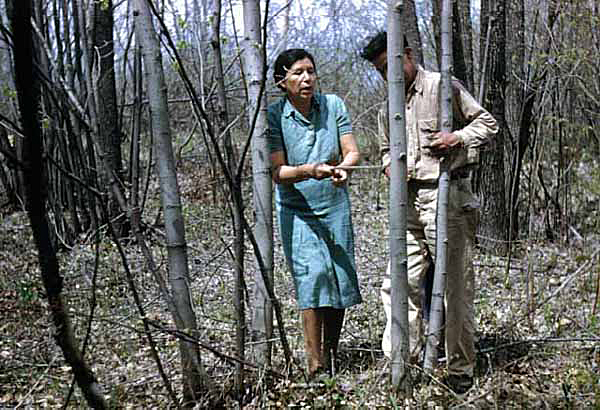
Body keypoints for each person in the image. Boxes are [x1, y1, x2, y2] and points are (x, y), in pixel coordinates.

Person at [361, 32, 498, 393]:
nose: (385, 76)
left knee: (454, 287)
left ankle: (459, 371)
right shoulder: (387, 106)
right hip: (406, 202)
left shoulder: (442, 86)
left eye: (388, 66)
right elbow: (386, 150)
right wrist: (391, 165)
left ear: (407, 55)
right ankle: (399, 366)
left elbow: (486, 123)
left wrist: (456, 138)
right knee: (397, 284)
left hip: (448, 195)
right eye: (378, 71)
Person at [266, 48, 363, 378]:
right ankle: (315, 363)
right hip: (298, 210)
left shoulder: (333, 104)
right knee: (312, 279)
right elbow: (277, 171)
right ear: (282, 81)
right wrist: (309, 170)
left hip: (335, 206)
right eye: (297, 73)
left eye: (310, 71)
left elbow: (352, 151)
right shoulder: (274, 115)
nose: (306, 78)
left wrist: (343, 169)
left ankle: (332, 355)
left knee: (338, 279)